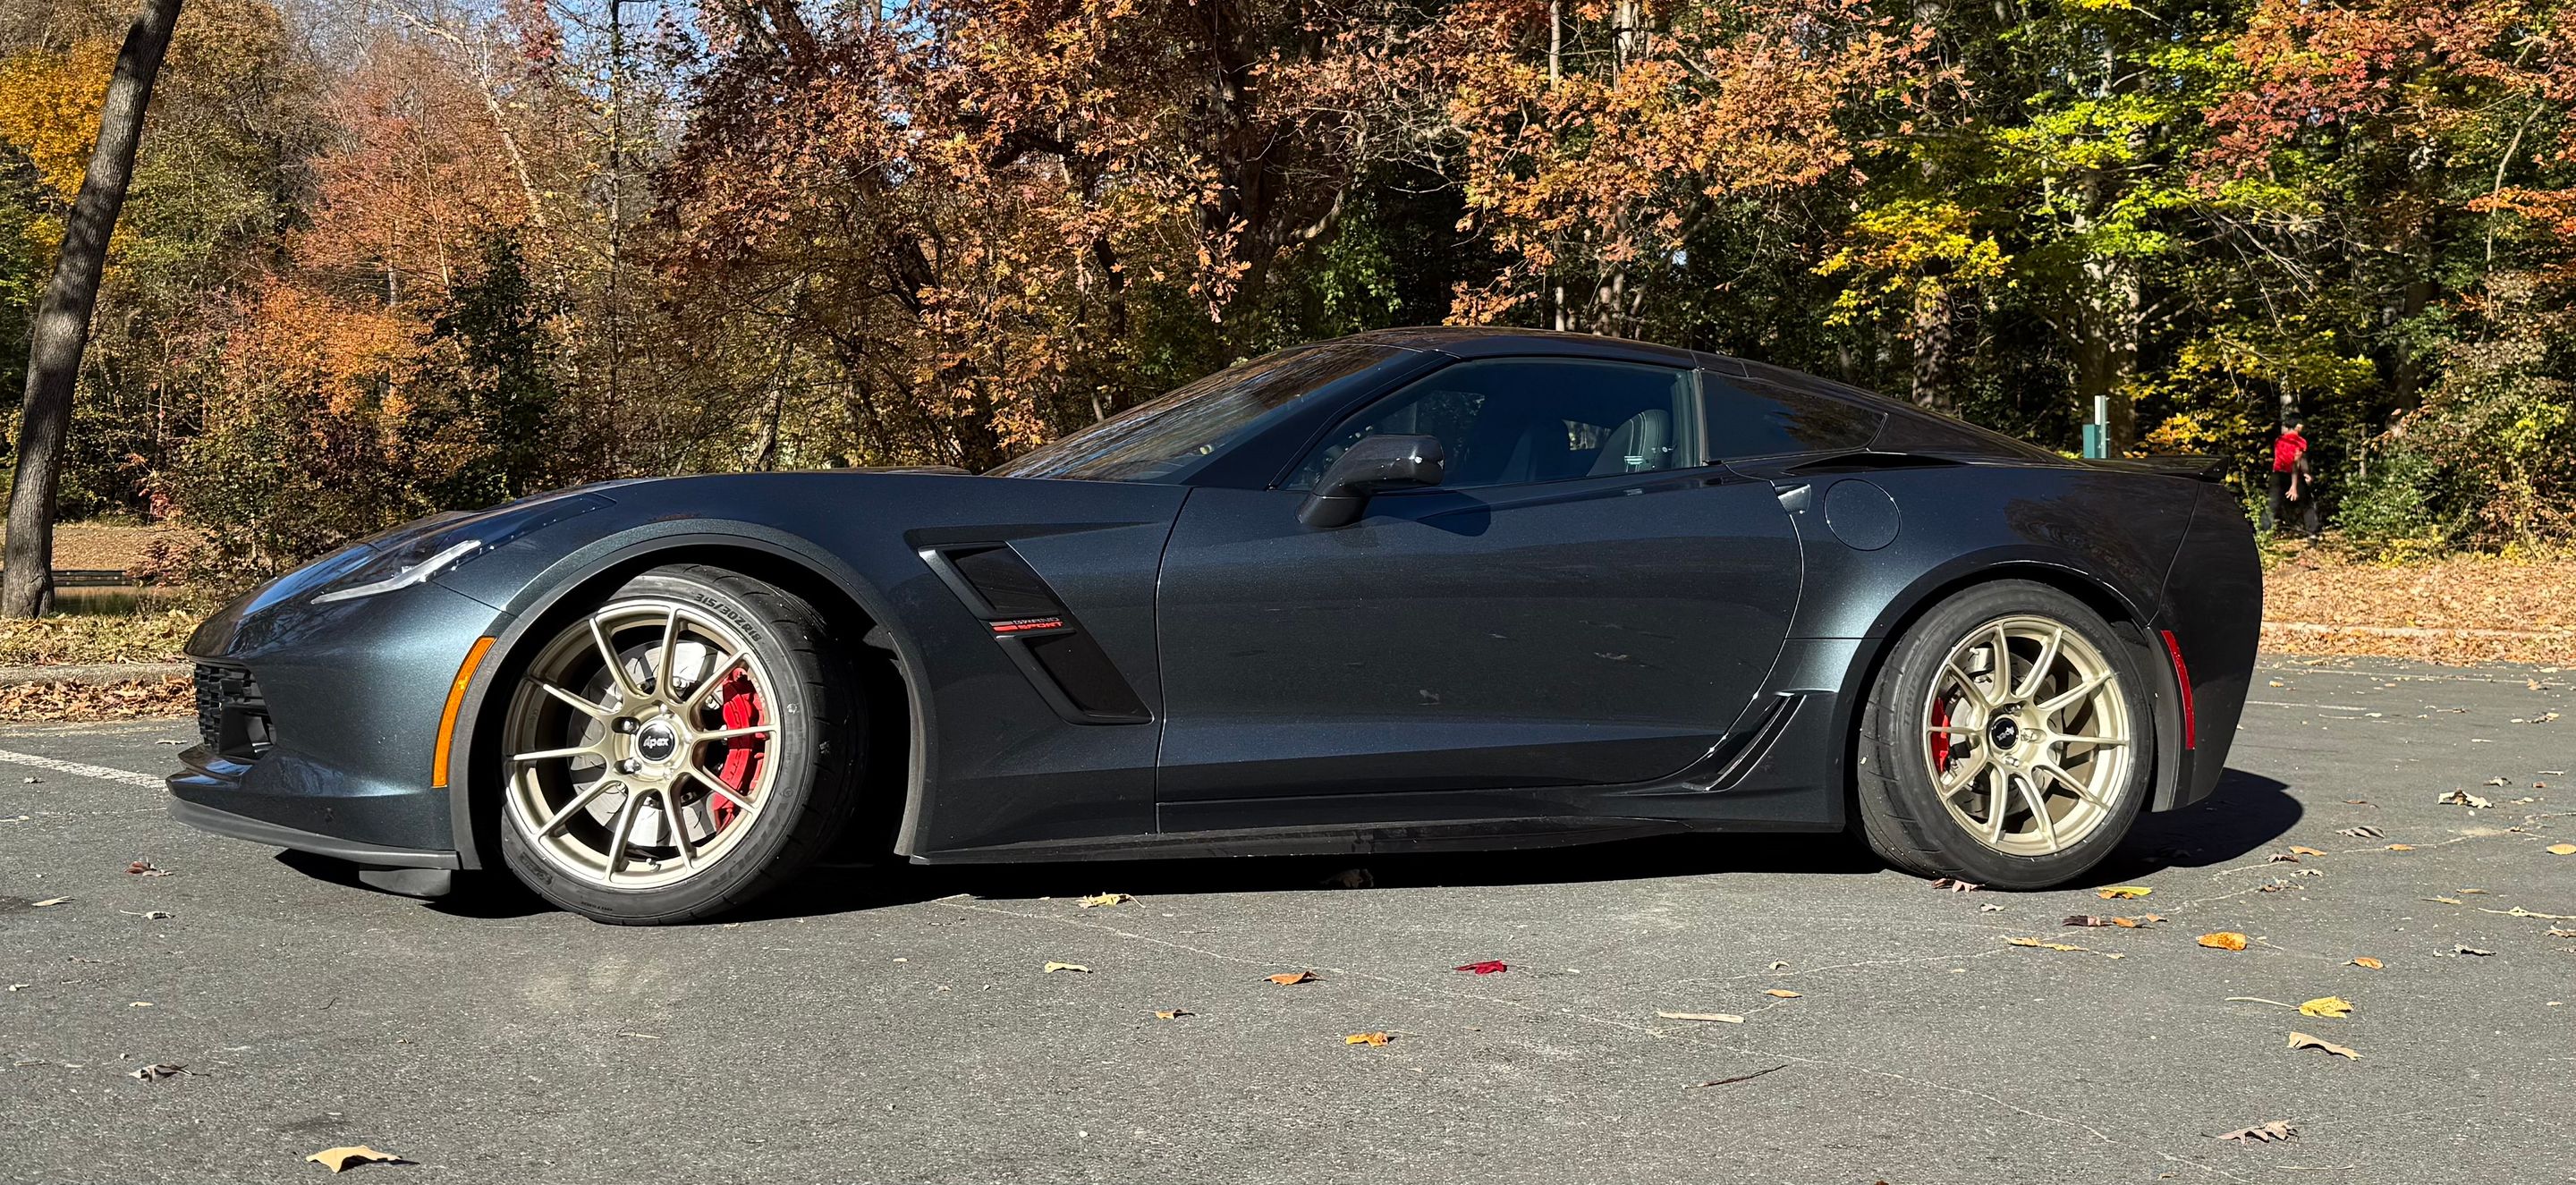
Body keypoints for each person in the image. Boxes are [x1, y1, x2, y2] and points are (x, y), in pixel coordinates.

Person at [2267, 417, 2318, 537]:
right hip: (2293, 475)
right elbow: (2295, 464)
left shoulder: (2279, 440)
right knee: (2307, 505)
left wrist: (2305, 472)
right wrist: (2294, 486)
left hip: (2277, 475)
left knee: (2272, 505)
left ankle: (2262, 533)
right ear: (2297, 426)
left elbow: (2299, 460)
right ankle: (2313, 533)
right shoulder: (2300, 442)